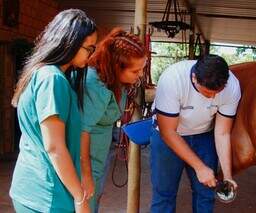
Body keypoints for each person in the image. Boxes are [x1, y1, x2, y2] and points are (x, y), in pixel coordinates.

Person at [10, 9, 97, 213]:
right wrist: (79, 197)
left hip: (33, 188)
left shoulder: (43, 73)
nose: (91, 56)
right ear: (71, 42)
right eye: (89, 49)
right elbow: (55, 147)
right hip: (46, 196)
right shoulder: (52, 79)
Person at [150, 54, 241, 213]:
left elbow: (223, 133)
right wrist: (200, 167)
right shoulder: (172, 80)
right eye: (206, 93)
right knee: (164, 193)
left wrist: (227, 176)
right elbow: (168, 132)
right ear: (194, 78)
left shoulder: (232, 86)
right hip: (168, 135)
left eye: (217, 92)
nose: (212, 97)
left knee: (206, 193)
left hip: (203, 134)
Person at [79, 27, 147, 212]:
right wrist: (85, 176)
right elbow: (81, 132)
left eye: (142, 69)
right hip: (85, 161)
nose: (140, 75)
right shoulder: (95, 85)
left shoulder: (114, 81)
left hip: (98, 156)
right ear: (117, 67)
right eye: (135, 71)